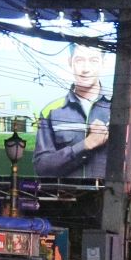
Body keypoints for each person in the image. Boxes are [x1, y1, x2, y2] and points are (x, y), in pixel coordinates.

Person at [32, 47, 113, 180]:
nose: (86, 68)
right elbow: (42, 167)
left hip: (110, 199)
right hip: (64, 198)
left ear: (103, 63)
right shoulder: (51, 111)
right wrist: (85, 145)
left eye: (93, 60)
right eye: (79, 60)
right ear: (70, 62)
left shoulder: (121, 110)